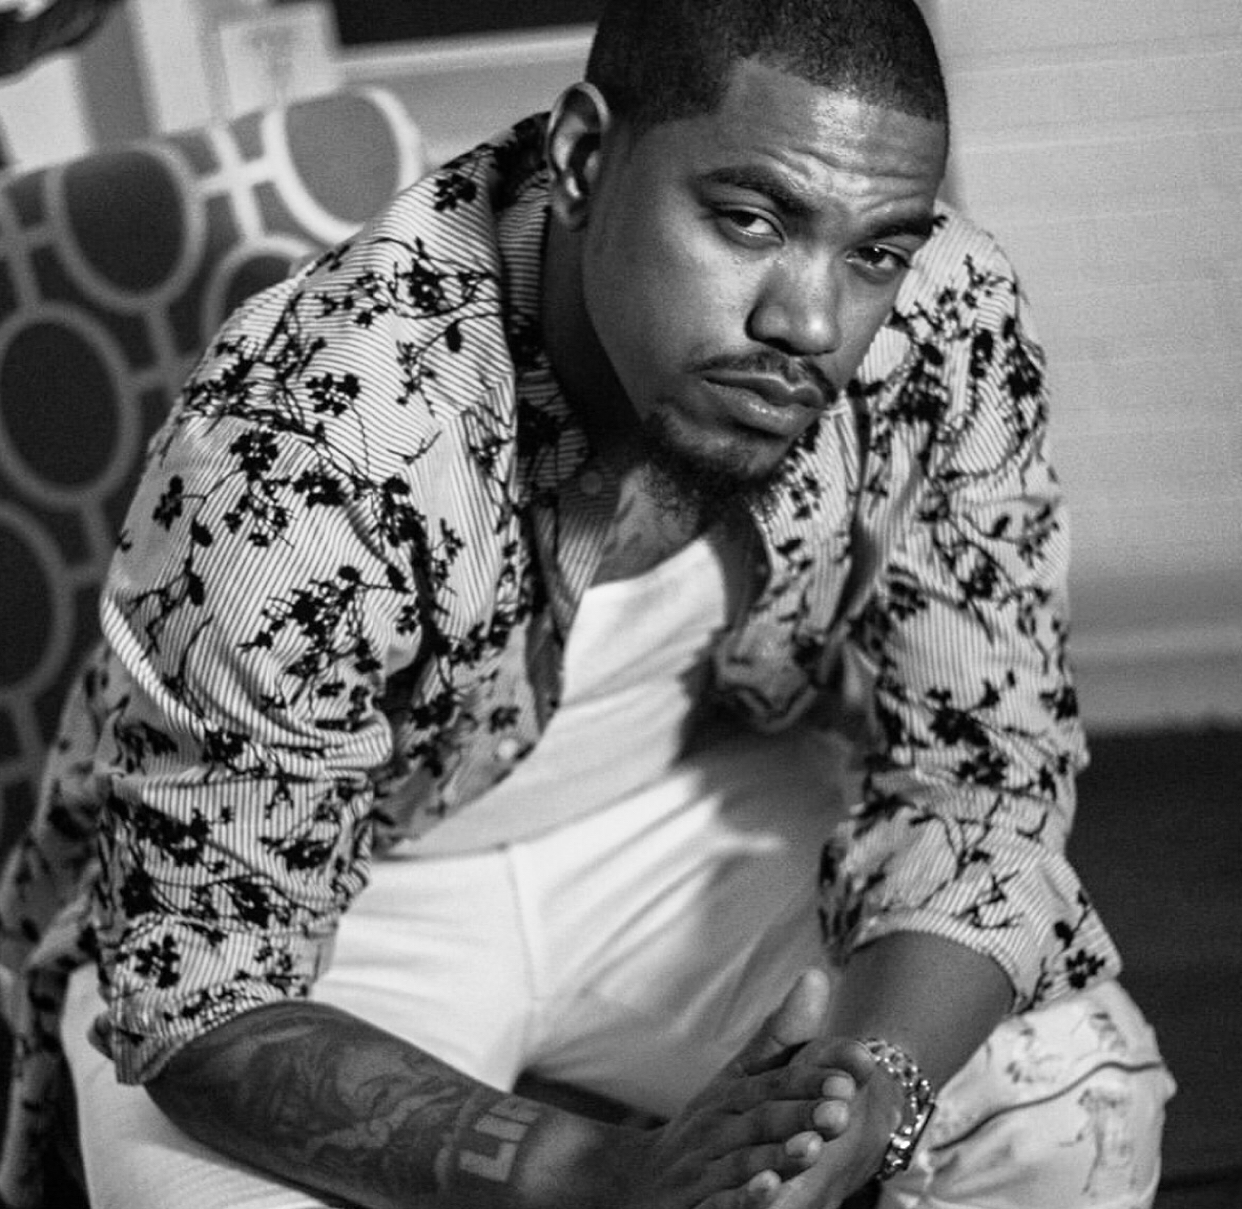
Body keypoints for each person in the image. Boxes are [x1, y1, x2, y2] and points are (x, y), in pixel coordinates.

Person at [0, 0, 1175, 1206]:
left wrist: (874, 1086)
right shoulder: (303, 442)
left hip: (687, 809)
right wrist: (595, 1172)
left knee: (1068, 1100)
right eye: (749, 220)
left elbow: (985, 769)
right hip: (346, 881)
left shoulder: (942, 311)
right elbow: (206, 984)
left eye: (873, 250)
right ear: (582, 159)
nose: (811, 324)